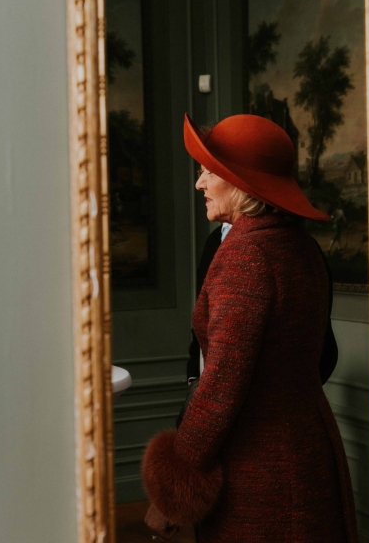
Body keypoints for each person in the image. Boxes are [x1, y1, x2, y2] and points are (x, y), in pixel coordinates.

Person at [142, 114, 358, 542]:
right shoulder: (301, 248)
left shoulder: (246, 256)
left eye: (207, 172)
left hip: (261, 471)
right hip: (309, 449)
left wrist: (171, 492)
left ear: (239, 182)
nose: (199, 184)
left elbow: (221, 386)